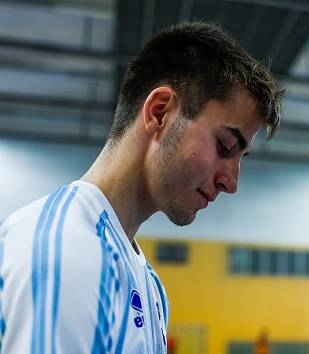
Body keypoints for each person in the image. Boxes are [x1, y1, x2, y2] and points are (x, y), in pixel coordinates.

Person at [0, 22, 282, 353]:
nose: (231, 182)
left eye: (240, 158)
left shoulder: (148, 285)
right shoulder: (65, 251)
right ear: (160, 112)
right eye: (223, 147)